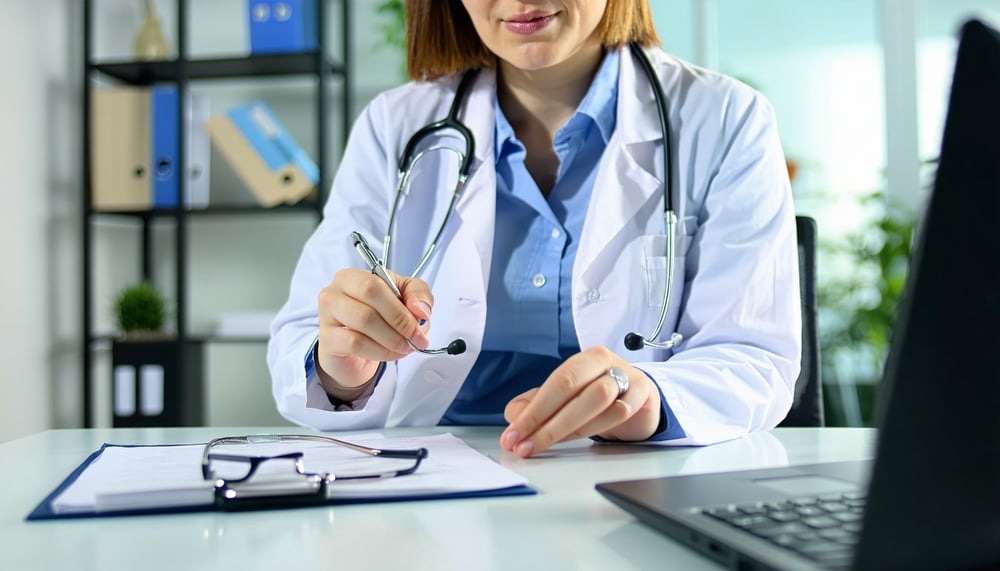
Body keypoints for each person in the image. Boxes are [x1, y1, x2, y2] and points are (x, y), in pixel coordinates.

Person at [268, 0, 801, 458]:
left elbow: (754, 357)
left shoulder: (727, 118)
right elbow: (302, 341)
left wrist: (649, 398)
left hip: (637, 472)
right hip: (432, 471)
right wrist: (342, 368)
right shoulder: (395, 126)